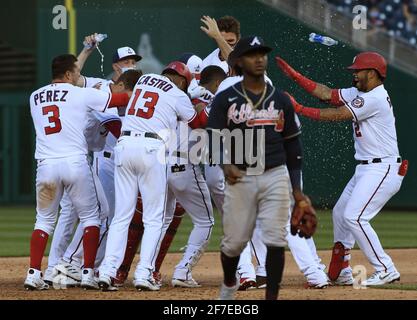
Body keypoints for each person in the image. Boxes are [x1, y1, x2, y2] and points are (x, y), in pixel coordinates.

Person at [276, 51, 407, 286]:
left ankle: (386, 268)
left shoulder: (375, 98)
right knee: (341, 214)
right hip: (367, 168)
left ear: (373, 73)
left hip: (383, 168)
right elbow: (327, 95)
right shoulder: (361, 93)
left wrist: (300, 109)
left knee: (355, 217)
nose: (354, 74)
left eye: (358, 71)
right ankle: (345, 270)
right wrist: (296, 76)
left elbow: (338, 114)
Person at [207, 36, 317, 300]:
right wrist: (225, 164)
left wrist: (298, 192)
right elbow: (210, 137)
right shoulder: (226, 98)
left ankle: (271, 296)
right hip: (241, 176)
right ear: (239, 62)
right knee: (234, 243)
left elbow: (293, 146)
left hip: (275, 174)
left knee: (276, 240)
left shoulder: (280, 100)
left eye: (263, 54)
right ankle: (231, 280)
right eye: (252, 54)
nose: (259, 59)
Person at [98, 61, 208, 291]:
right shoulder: (178, 94)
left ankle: (107, 272)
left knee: (121, 216)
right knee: (154, 218)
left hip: (124, 145)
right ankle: (144, 274)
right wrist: (201, 108)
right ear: (183, 80)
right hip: (151, 149)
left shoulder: (142, 81)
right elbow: (197, 123)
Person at [24, 54, 130, 290]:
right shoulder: (80, 93)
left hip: (46, 165)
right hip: (75, 163)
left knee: (43, 221)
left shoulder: (34, 97)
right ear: (69, 74)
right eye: (76, 73)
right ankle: (87, 273)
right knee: (94, 216)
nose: (77, 76)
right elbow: (119, 98)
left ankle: (33, 273)